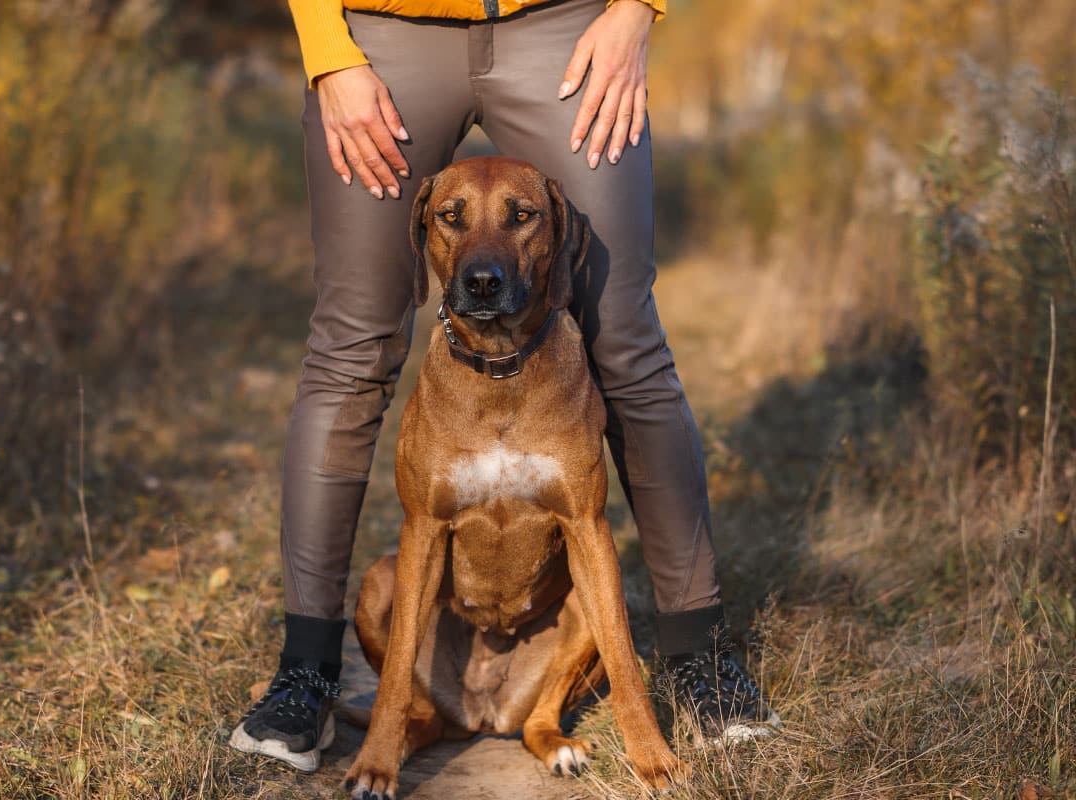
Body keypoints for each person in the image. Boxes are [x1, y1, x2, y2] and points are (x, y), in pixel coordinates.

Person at [228, 0, 779, 772]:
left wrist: (635, 10)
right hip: (379, 33)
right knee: (351, 348)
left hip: (565, 27)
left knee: (626, 340)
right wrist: (329, 51)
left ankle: (699, 660)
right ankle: (306, 675)